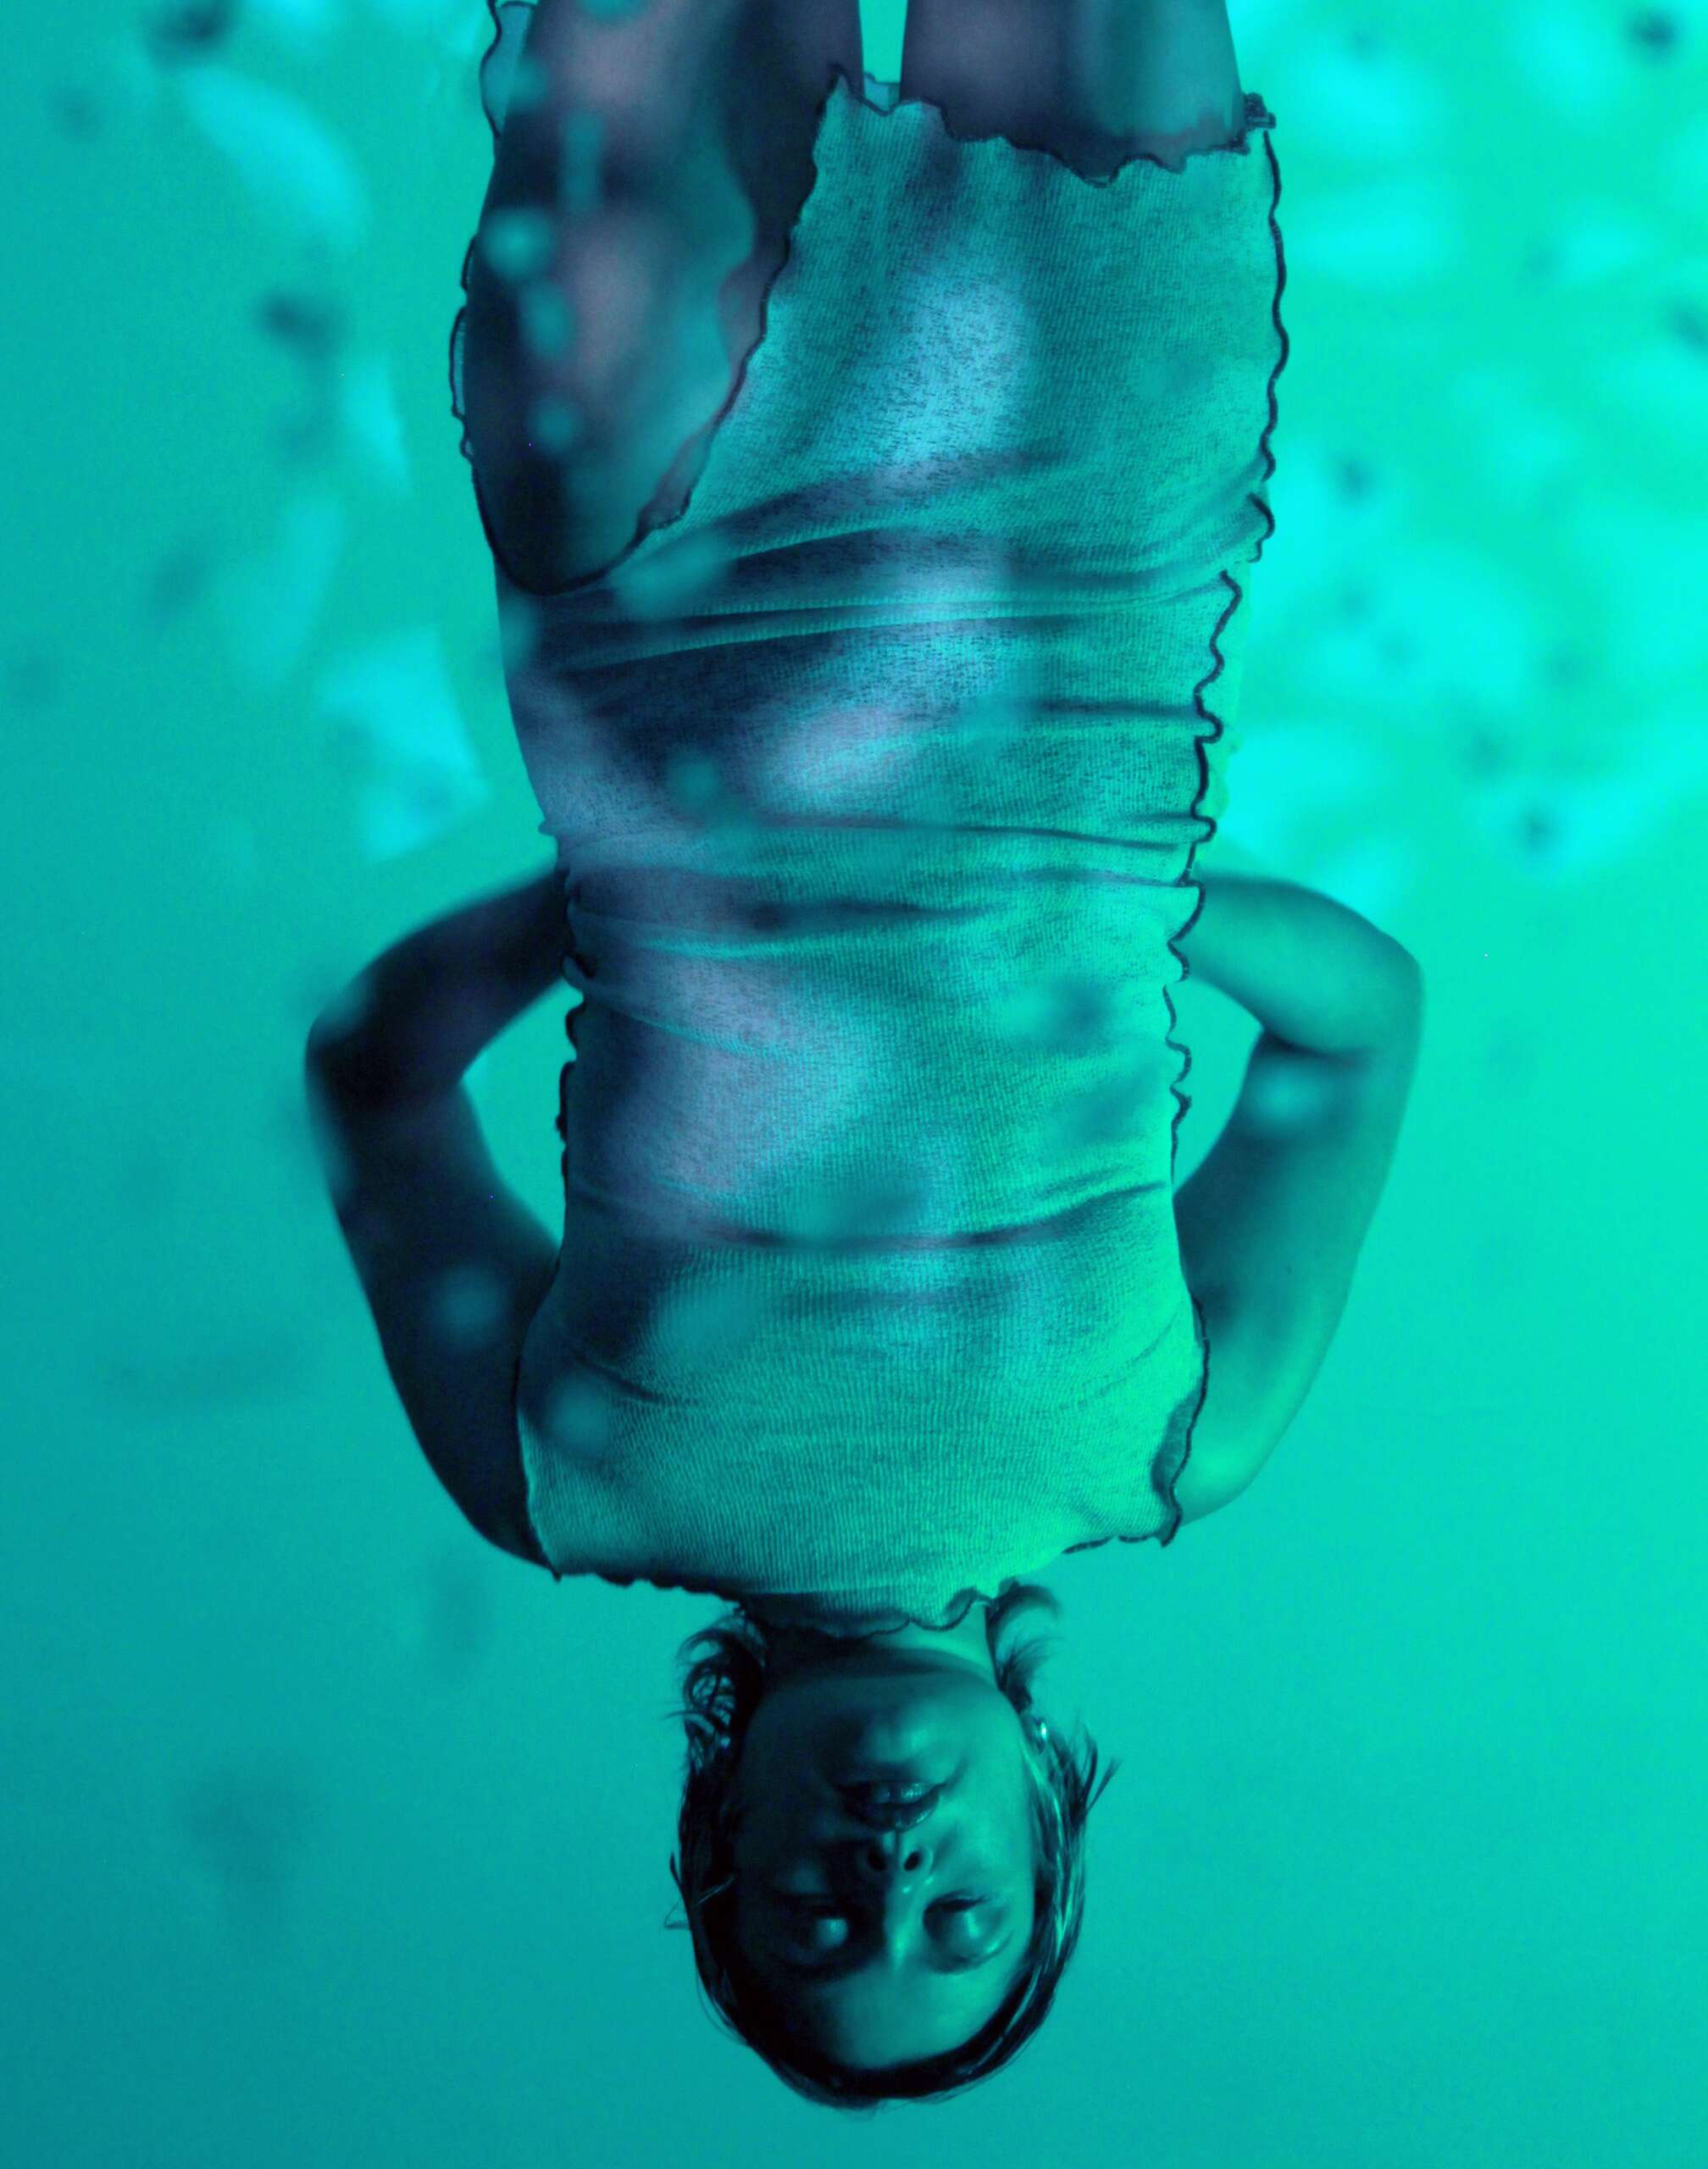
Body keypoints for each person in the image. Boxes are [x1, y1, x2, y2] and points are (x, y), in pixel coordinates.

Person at [307, 0, 1422, 2107]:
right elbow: (1360, 1038)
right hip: (1084, 540)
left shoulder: (557, 1476)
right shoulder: (1174, 1441)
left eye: (816, 1919)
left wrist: (606, 893)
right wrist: (1136, 901)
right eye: (960, 1915)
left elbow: (371, 1075)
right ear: (1043, 1811)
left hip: (666, 590)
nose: (888, 1872)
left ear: (715, 1838)